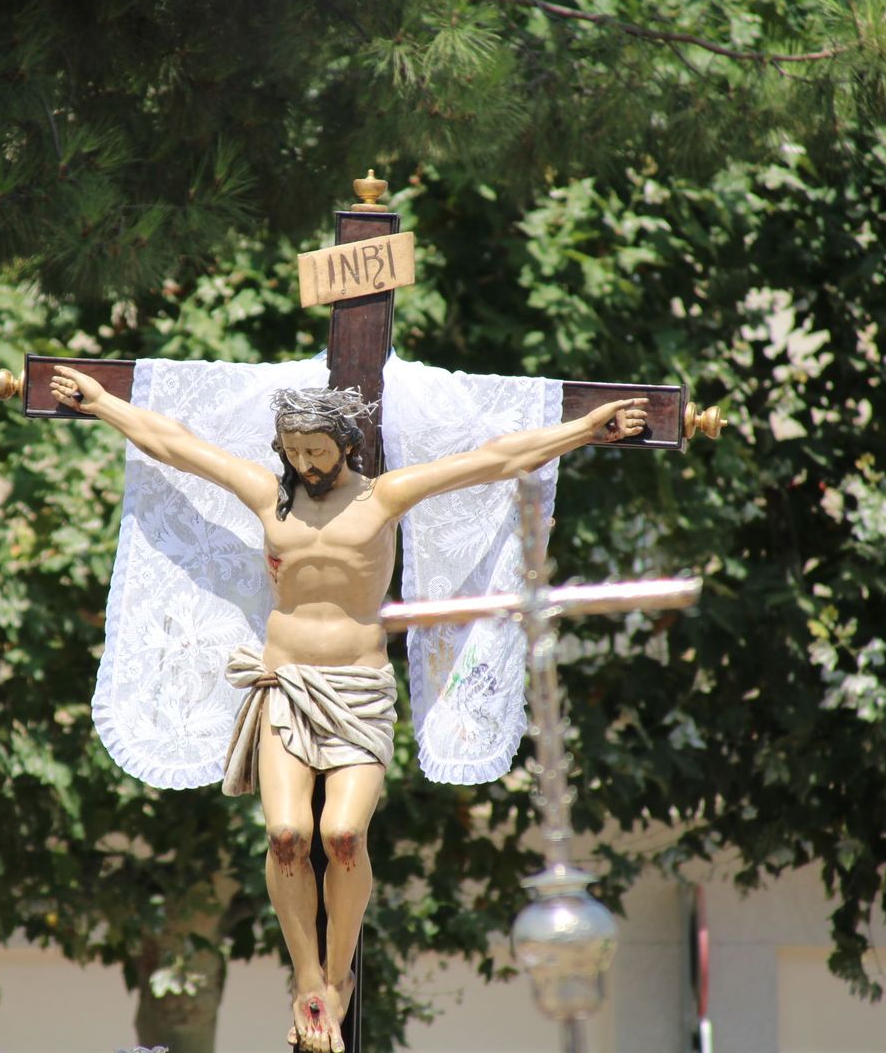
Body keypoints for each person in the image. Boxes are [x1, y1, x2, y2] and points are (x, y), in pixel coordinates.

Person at [49, 364, 646, 1053]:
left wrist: (585, 429)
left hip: (358, 690)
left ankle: (339, 979)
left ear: (346, 444)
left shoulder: (383, 497)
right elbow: (176, 445)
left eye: (317, 450)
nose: (305, 463)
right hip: (284, 684)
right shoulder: (269, 497)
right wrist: (103, 403)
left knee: (341, 836)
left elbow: (494, 459)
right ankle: (308, 981)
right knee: (285, 835)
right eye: (293, 450)